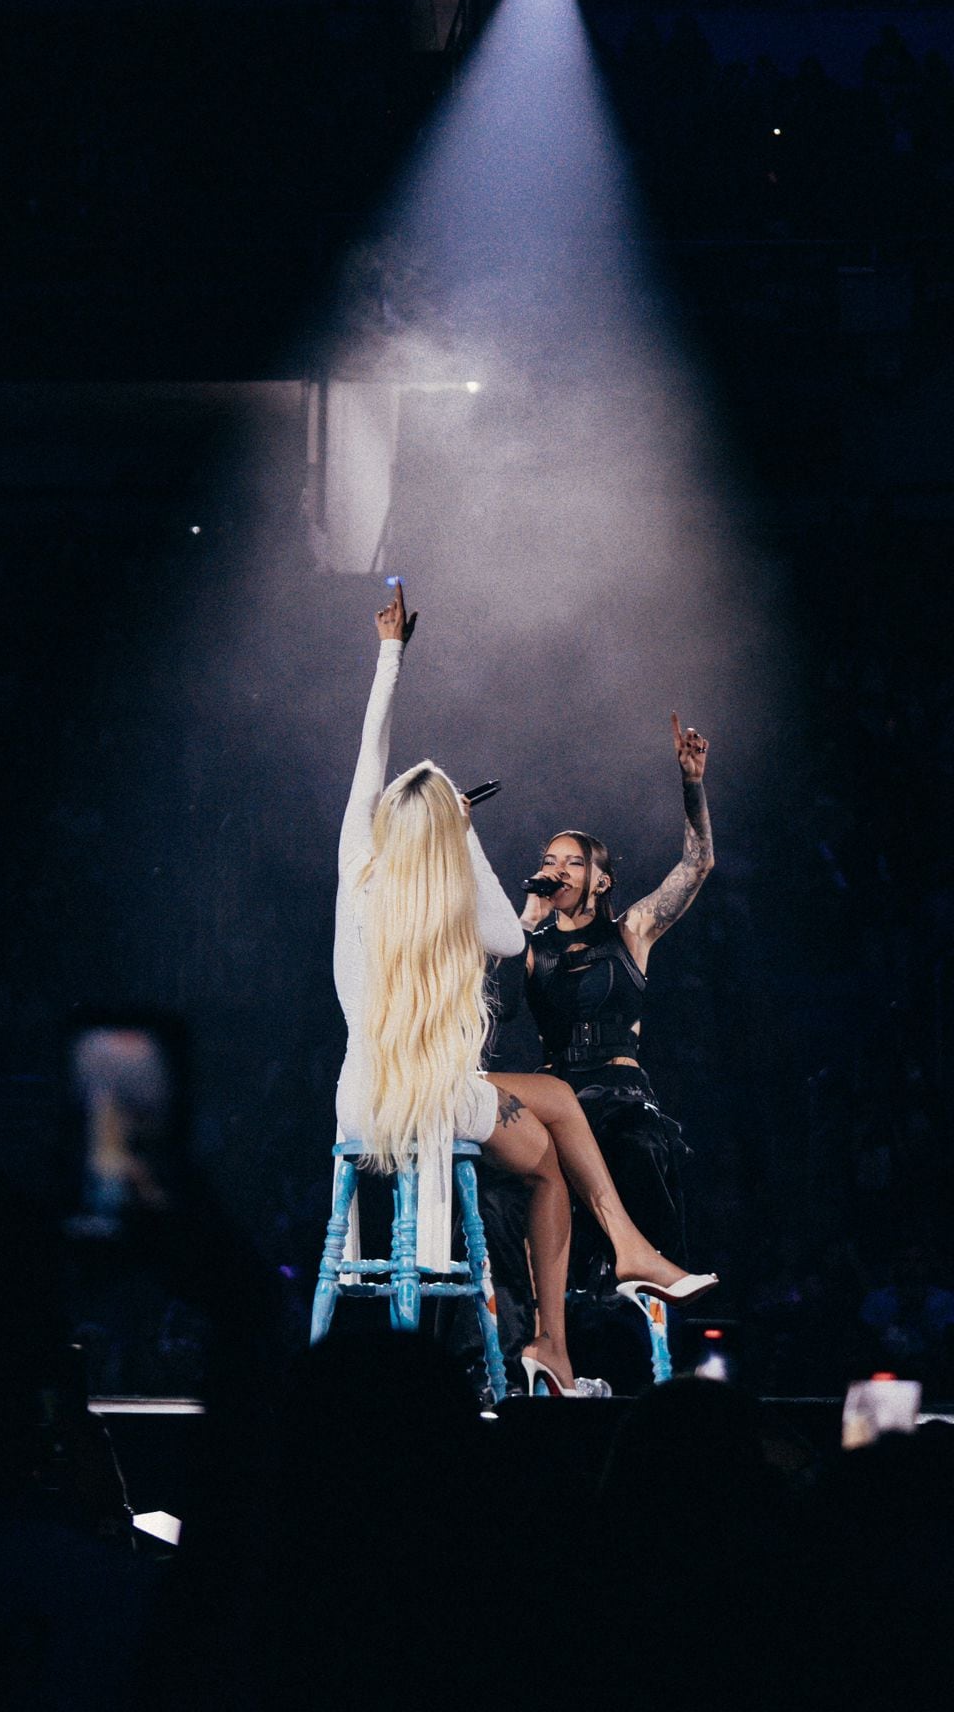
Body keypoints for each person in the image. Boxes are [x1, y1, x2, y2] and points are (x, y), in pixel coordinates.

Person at [334, 583, 715, 1397]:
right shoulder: (456, 902)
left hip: (364, 1095)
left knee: (547, 1150)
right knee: (551, 1130)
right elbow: (509, 936)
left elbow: (369, 761)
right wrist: (465, 840)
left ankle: (554, 1344)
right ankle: (611, 1275)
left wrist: (389, 657)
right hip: (431, 1097)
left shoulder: (355, 874)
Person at [515, 712, 716, 1299]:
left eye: (573, 861)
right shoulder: (527, 945)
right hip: (557, 1092)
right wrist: (529, 918)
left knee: (635, 1144)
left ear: (600, 880)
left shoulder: (630, 933)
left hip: (618, 1091)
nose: (558, 868)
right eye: (550, 859)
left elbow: (697, 863)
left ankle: (647, 1272)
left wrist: (692, 784)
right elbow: (492, 1009)